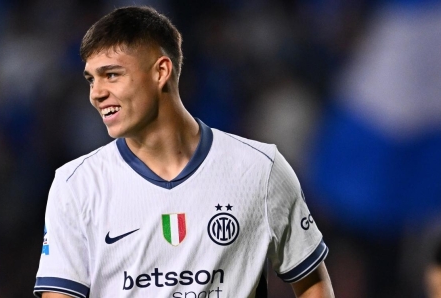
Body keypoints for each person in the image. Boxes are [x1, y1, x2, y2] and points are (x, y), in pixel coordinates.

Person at [33, 6, 334, 298]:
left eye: (111, 75)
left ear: (161, 71)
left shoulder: (260, 169)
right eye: (91, 79)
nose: (96, 93)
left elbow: (312, 284)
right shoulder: (76, 185)